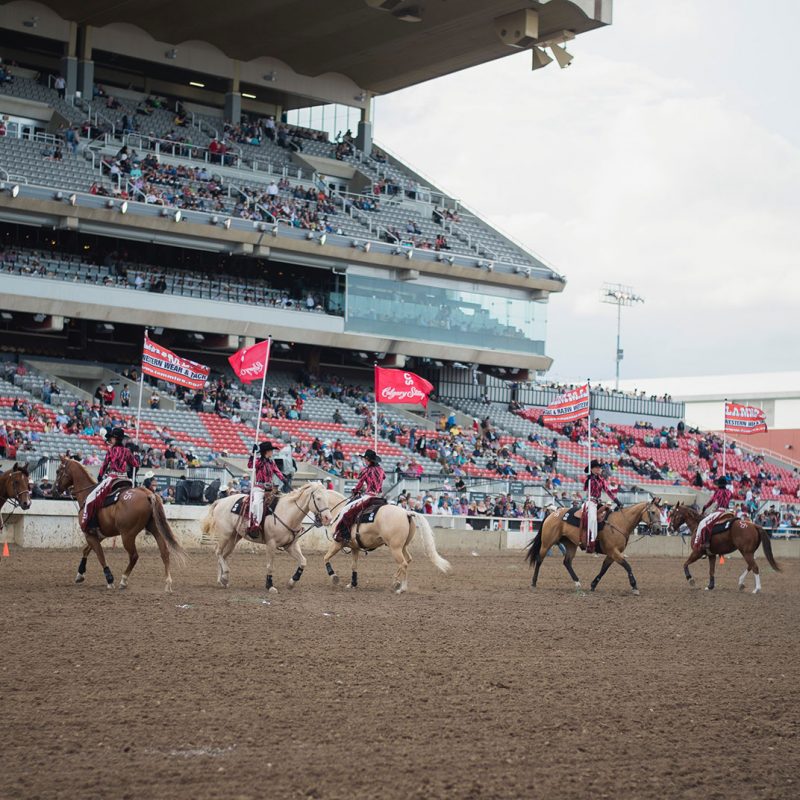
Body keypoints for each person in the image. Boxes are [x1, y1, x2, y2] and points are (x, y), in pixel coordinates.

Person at [80, 427, 139, 535]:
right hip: (126, 479)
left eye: (111, 438)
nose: (110, 440)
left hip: (112, 478)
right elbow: (135, 464)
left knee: (91, 499)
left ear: (116, 439)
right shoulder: (127, 451)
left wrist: (100, 476)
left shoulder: (111, 451)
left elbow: (104, 465)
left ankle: (92, 525)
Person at [334, 448, 386, 542]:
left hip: (368, 496)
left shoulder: (366, 470)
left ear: (368, 460)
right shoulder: (381, 470)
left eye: (365, 459)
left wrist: (355, 491)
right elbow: (383, 479)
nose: (364, 461)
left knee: (346, 511)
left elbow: (360, 484)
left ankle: (345, 535)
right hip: (378, 497)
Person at [246, 441, 285, 537]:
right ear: (266, 452)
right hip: (259, 487)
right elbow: (250, 465)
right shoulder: (259, 461)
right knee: (257, 503)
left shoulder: (272, 462)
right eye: (271, 450)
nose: (272, 452)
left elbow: (277, 471)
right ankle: (255, 524)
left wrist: (284, 479)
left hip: (270, 488)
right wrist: (252, 454)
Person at [583, 459, 621, 553]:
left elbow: (608, 491)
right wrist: (589, 479)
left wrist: (616, 500)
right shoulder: (590, 479)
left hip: (598, 502)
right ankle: (591, 542)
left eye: (599, 467)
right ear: (592, 469)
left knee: (609, 516)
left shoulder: (601, 480)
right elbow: (585, 488)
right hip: (590, 501)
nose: (599, 469)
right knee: (592, 519)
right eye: (596, 467)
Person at [693, 477, 733, 553]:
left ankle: (699, 543)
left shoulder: (718, 491)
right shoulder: (730, 492)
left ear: (719, 484)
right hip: (728, 511)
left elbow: (711, 501)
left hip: (720, 511)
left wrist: (704, 508)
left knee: (702, 524)